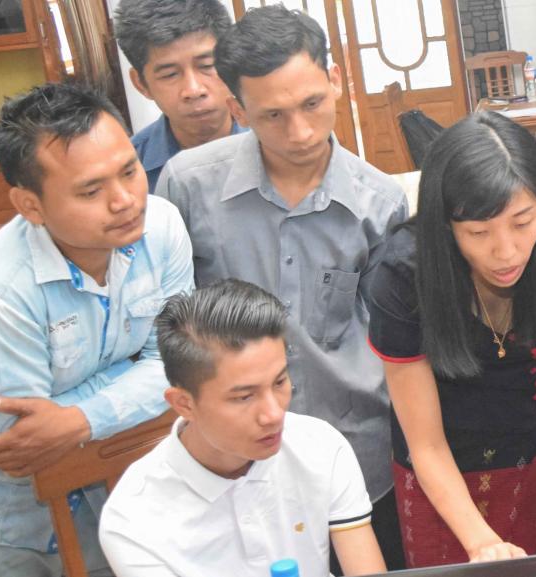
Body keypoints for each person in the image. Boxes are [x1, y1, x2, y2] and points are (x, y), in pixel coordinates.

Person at [154, 6, 408, 570]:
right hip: (228, 464)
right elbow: (166, 326)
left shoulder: (380, 203)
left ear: (335, 80)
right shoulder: (188, 187)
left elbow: (392, 341)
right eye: (272, 116)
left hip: (354, 457)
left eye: (312, 104)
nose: (300, 133)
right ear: (237, 108)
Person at [0, 82, 194, 576]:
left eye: (130, 171)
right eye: (91, 190)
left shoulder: (163, 226)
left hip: (113, 485)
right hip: (6, 522)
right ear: (30, 206)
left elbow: (180, 362)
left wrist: (78, 419)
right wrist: (135, 378)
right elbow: (24, 440)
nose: (126, 200)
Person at [364, 112, 536, 567]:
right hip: (443, 474)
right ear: (445, 224)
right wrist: (480, 541)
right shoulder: (402, 275)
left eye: (522, 222)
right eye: (479, 232)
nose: (506, 251)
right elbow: (426, 444)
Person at [99, 280, 386, 577]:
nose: (274, 415)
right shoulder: (132, 520)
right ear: (184, 404)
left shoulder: (321, 446)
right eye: (244, 397)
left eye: (279, 382)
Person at [113, 0, 244, 193]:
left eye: (207, 65)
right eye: (170, 74)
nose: (193, 90)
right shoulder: (126, 172)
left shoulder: (280, 142)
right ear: (141, 84)